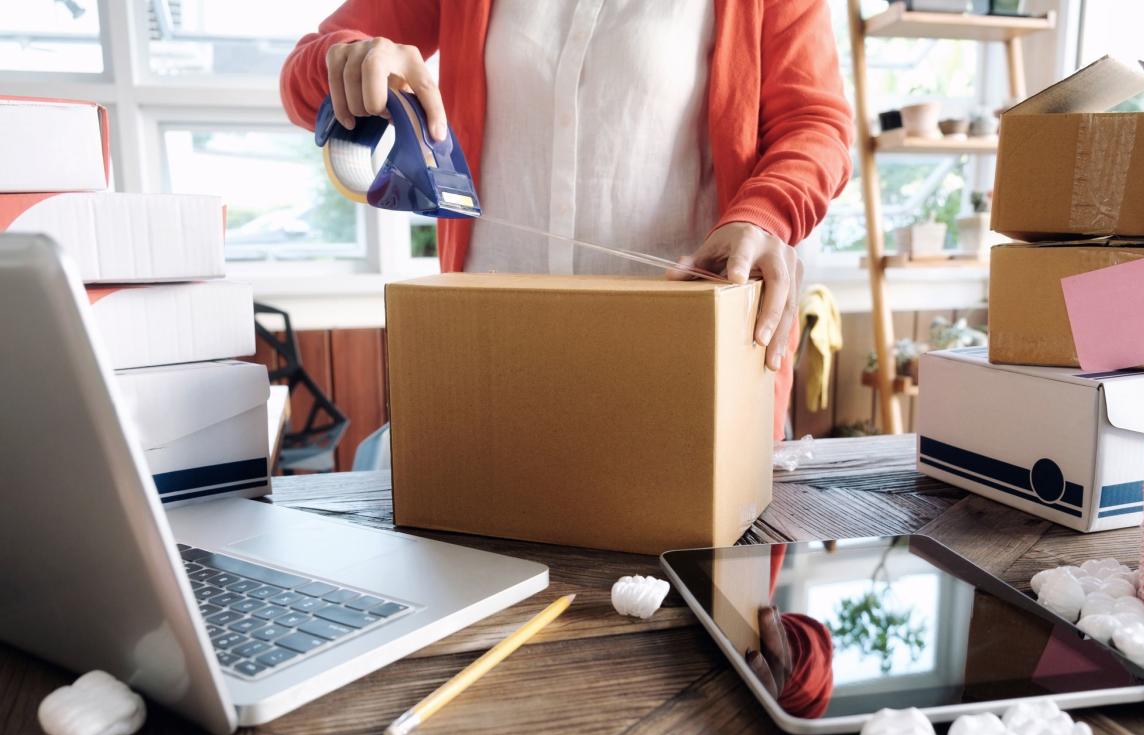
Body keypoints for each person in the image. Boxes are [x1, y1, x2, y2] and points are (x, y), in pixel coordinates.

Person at [281, 0, 853, 437]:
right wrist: (349, 60)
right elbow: (304, 78)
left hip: (689, 375)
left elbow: (817, 122)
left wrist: (765, 214)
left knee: (703, 593)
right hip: (491, 367)